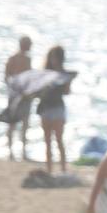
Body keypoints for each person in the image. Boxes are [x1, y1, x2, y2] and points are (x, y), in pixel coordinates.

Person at [38, 45, 71, 174]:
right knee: (47, 141)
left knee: (59, 140)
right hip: (45, 107)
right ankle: (49, 170)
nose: (53, 60)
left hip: (57, 107)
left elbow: (67, 92)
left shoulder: (64, 74)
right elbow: (37, 90)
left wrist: (66, 82)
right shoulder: (44, 74)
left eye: (56, 57)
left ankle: (63, 169)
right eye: (52, 57)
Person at [5, 35, 33, 160]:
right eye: (28, 44)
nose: (30, 47)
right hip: (17, 94)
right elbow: (7, 76)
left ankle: (21, 152)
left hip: (23, 95)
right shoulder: (14, 58)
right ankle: (12, 152)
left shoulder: (26, 59)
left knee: (23, 123)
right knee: (14, 123)